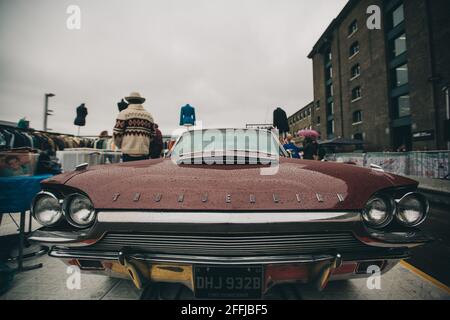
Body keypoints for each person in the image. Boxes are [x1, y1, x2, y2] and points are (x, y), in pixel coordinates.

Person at [113, 92, 155, 162]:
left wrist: (121, 145)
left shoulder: (123, 113)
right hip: (143, 152)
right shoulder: (149, 116)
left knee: (127, 172)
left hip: (127, 151)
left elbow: (117, 133)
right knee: (142, 173)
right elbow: (153, 135)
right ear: (141, 102)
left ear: (129, 101)